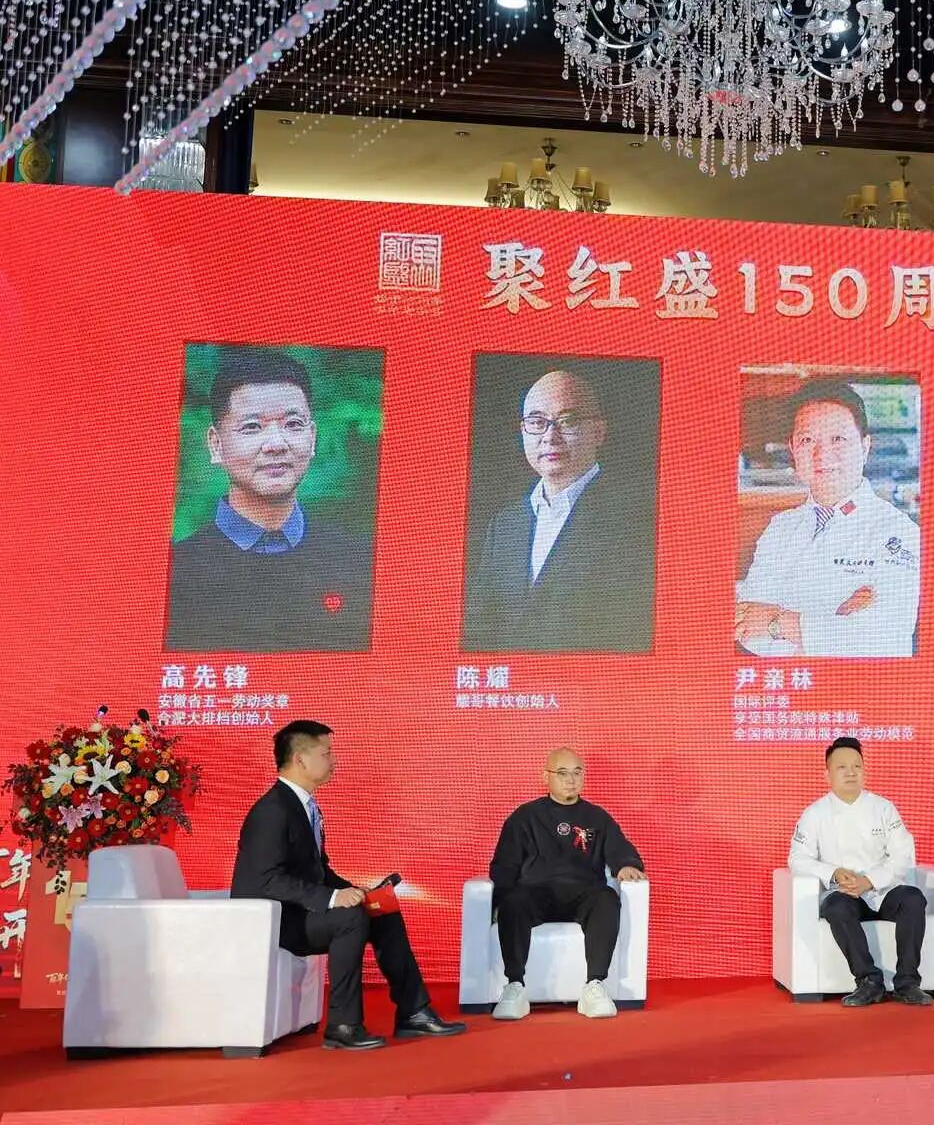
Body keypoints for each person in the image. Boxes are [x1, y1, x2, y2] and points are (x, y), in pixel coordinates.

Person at [231, 720, 466, 1049]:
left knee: (380, 910)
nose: (334, 760)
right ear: (300, 759)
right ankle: (343, 1024)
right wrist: (332, 898)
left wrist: (357, 892)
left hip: (300, 912)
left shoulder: (303, 805)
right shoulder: (272, 810)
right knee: (350, 918)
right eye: (326, 753)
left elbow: (318, 869)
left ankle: (414, 1012)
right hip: (273, 921)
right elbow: (267, 879)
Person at [165, 350, 374, 652]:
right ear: (216, 444)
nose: (277, 444)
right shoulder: (176, 572)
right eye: (252, 427)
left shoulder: (361, 561)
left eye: (293, 424)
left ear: (312, 438)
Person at [463, 370, 654, 652]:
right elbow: (479, 628)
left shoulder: (638, 518)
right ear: (523, 431)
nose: (550, 437)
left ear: (598, 431)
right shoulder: (504, 525)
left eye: (568, 421)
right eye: (537, 422)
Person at [736, 380, 920, 658]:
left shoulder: (899, 533)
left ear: (865, 446)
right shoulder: (780, 527)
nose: (822, 455)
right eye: (807, 440)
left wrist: (778, 622)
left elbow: (882, 636)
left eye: (838, 439)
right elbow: (748, 629)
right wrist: (834, 622)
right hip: (791, 681)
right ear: (793, 449)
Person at [486, 748, 647, 1021]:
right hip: (536, 893)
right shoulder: (525, 816)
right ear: (545, 776)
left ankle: (594, 986)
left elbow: (619, 849)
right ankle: (515, 986)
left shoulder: (597, 817)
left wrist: (626, 865)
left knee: (607, 899)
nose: (571, 780)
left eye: (577, 772)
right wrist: (497, 901)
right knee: (513, 902)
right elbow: (505, 864)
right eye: (562, 773)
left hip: (583, 892)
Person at [787, 737, 933, 1007]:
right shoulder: (814, 814)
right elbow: (797, 860)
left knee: (913, 898)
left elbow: (903, 855)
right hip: (845, 894)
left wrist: (870, 881)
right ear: (827, 774)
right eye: (842, 767)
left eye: (857, 766)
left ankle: (908, 983)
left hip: (883, 891)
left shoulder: (883, 808)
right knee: (835, 907)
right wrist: (833, 871)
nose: (851, 772)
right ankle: (869, 982)